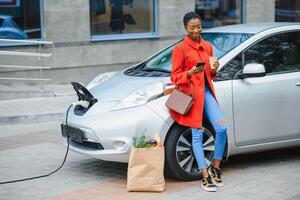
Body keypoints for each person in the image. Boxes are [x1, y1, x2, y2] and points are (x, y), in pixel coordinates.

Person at [169, 11, 227, 192]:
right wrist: (189, 73)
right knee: (197, 134)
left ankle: (216, 168)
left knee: (222, 128)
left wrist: (214, 70)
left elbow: (210, 75)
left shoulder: (208, 47)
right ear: (186, 28)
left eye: (198, 26)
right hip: (192, 96)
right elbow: (174, 76)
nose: (196, 30)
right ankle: (205, 176)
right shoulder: (180, 49)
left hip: (207, 94)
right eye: (192, 27)